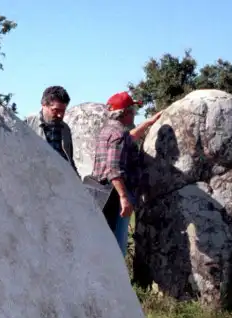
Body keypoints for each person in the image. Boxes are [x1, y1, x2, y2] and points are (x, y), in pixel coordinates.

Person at [90, 91, 162, 255]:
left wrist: (147, 123)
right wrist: (124, 198)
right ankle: (117, 280)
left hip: (102, 193)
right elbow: (113, 169)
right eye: (133, 111)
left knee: (104, 241)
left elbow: (128, 138)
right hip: (115, 196)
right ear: (125, 113)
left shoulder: (107, 131)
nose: (135, 115)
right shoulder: (119, 135)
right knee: (117, 245)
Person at [24, 85, 77, 172]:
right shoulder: (27, 125)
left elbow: (70, 160)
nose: (60, 115)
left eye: (63, 111)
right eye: (55, 110)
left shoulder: (65, 129)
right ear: (44, 105)